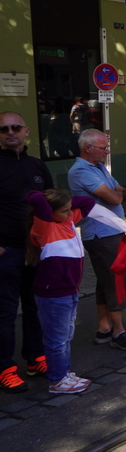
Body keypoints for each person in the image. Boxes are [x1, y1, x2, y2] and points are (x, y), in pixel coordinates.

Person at [68, 129, 126, 352]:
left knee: (106, 280)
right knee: (114, 281)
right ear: (88, 148)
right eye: (103, 148)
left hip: (111, 231)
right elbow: (115, 197)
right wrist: (120, 192)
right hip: (100, 234)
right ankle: (118, 331)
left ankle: (104, 328)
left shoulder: (99, 167)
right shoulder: (80, 170)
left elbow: (122, 193)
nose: (107, 151)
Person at [27, 189, 102, 393]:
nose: (70, 213)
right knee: (56, 340)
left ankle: (64, 373)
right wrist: (50, 200)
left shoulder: (67, 221)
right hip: (53, 293)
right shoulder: (44, 227)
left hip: (69, 289)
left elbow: (87, 202)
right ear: (49, 212)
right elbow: (38, 200)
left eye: (70, 209)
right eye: (65, 210)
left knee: (66, 336)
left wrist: (64, 202)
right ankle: (57, 380)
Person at [0, 111, 51, 392]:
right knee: (6, 312)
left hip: (35, 251)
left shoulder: (37, 165)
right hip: (6, 252)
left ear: (26, 131)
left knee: (35, 307)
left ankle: (35, 358)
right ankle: (5, 368)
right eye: (4, 129)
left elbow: (51, 203)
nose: (10, 132)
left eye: (15, 127)